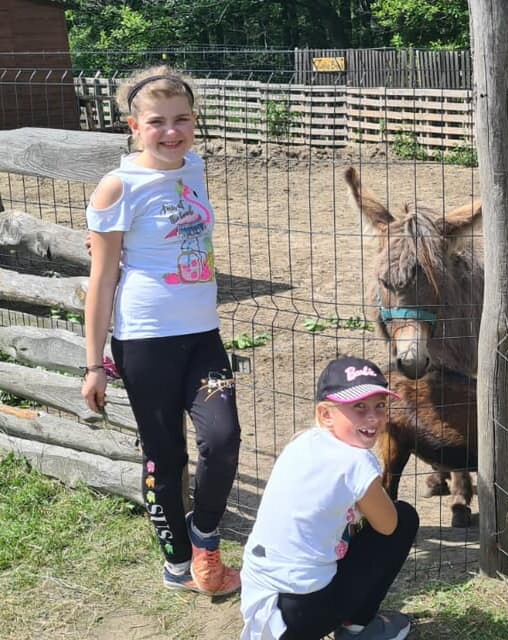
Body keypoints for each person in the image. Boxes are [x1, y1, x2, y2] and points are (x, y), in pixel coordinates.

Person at [80, 65, 241, 596]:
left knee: (222, 436)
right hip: (145, 341)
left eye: (182, 119)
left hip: (203, 336)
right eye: (157, 122)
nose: (172, 131)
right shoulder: (117, 187)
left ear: (194, 122)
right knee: (165, 453)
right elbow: (101, 279)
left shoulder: (192, 166)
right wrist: (93, 364)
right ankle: (178, 563)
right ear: (133, 125)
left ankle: (205, 535)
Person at [240, 356, 419, 640]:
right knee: (405, 518)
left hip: (260, 599)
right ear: (325, 414)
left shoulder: (301, 441)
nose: (373, 418)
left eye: (380, 406)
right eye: (359, 408)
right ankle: (356, 627)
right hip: (302, 613)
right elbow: (388, 526)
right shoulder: (357, 461)